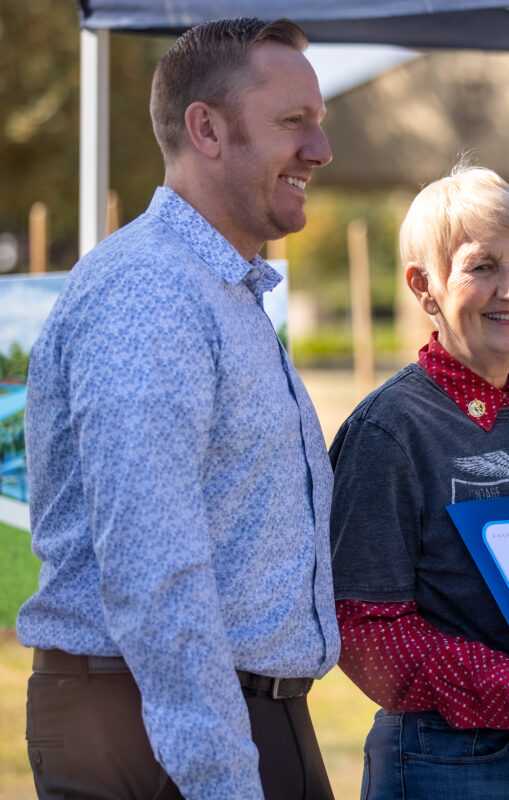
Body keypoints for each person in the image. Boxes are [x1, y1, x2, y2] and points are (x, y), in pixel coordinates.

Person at [18, 18, 338, 800]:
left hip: (218, 719)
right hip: (158, 733)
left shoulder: (219, 290)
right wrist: (224, 778)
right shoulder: (153, 292)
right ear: (208, 130)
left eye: (319, 124)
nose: (322, 152)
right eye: (293, 123)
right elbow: (155, 569)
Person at [328, 162, 509, 799]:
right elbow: (362, 626)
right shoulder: (390, 431)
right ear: (423, 286)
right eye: (483, 267)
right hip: (454, 764)